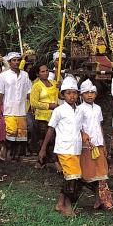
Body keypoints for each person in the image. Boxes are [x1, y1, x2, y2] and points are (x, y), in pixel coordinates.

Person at [39, 76, 84, 216]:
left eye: (74, 93)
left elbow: (80, 128)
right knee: (72, 178)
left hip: (76, 148)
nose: (72, 96)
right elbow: (51, 129)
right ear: (63, 95)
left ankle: (60, 203)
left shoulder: (80, 110)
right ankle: (67, 206)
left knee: (71, 177)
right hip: (64, 148)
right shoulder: (59, 110)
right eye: (68, 93)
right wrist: (43, 149)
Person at [78, 79, 113, 210]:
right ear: (81, 95)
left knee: (101, 173)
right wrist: (83, 135)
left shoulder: (98, 108)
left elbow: (99, 127)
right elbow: (77, 127)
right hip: (87, 145)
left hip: (98, 144)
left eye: (92, 92)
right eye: (86, 93)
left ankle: (103, 200)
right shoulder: (80, 109)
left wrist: (103, 144)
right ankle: (98, 198)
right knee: (88, 174)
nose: (90, 95)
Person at [0, 52, 31, 161]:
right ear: (9, 62)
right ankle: (6, 148)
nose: (16, 62)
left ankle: (15, 155)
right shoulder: (3, 75)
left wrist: (31, 105)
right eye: (13, 60)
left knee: (21, 134)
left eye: (18, 60)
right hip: (8, 109)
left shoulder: (25, 75)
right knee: (11, 132)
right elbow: (0, 93)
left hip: (22, 109)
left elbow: (28, 91)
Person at [30, 64, 59, 168]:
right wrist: (49, 106)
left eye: (47, 70)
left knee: (53, 139)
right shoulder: (36, 86)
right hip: (42, 117)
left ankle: (49, 160)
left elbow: (59, 96)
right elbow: (33, 103)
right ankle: (42, 160)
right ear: (38, 73)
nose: (46, 73)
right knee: (44, 140)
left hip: (54, 116)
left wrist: (60, 88)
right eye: (42, 71)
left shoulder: (54, 83)